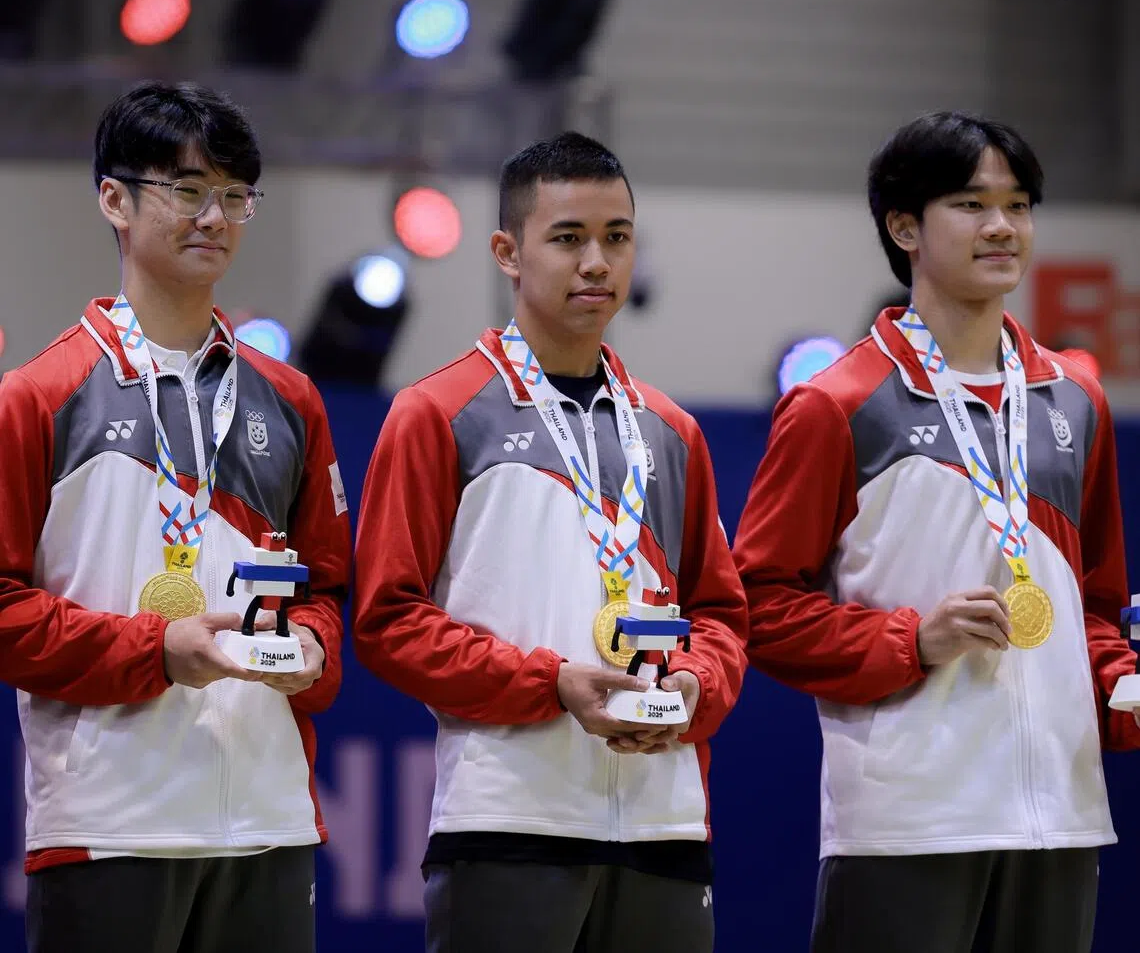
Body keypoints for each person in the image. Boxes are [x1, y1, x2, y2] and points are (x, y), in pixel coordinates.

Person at [734, 111, 1140, 953]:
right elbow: (757, 606)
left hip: (1061, 820)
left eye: (1018, 205)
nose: (1002, 226)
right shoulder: (836, 404)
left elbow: (1096, 612)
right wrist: (912, 639)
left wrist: (1124, 686)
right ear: (904, 227)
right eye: (971, 203)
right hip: (907, 824)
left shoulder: (1075, 401)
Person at [353, 131, 747, 953]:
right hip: (508, 822)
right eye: (568, 238)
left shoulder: (669, 431)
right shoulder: (437, 414)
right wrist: (550, 683)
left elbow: (720, 616)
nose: (596, 263)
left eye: (616, 237)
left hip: (666, 824)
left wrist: (692, 687)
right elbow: (388, 621)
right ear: (508, 251)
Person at [0, 81, 350, 953]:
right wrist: (155, 650)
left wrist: (311, 649)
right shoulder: (37, 398)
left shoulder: (292, 401)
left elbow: (325, 590)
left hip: (268, 824)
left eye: (234, 195)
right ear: (114, 200)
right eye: (187, 190)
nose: (215, 218)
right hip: (107, 825)